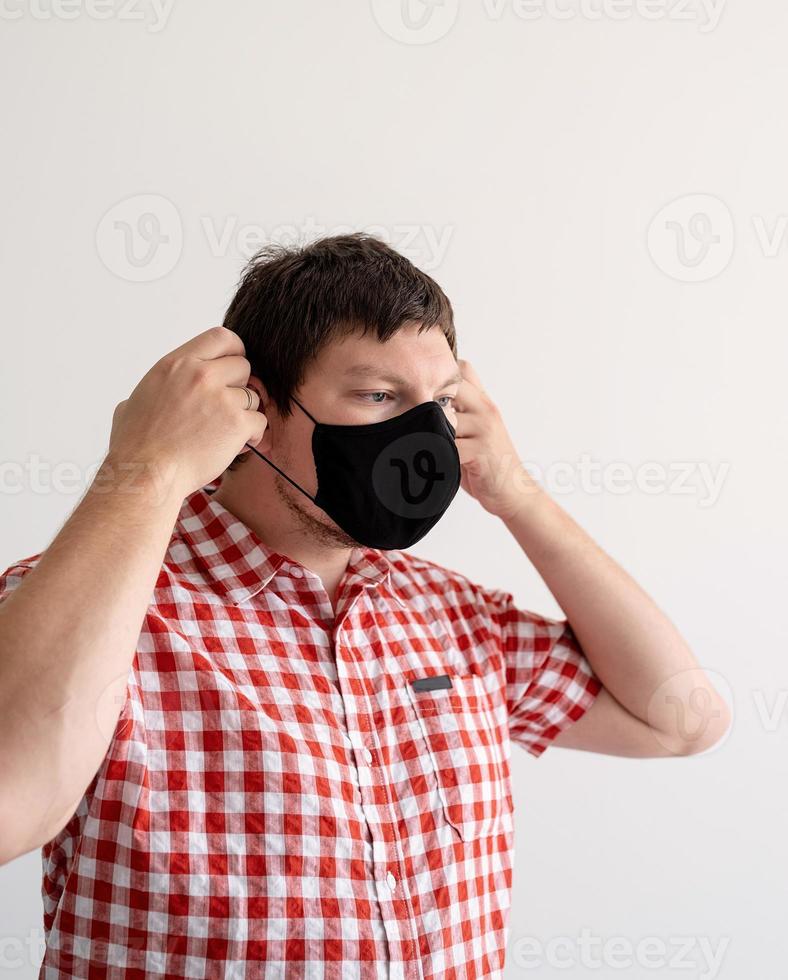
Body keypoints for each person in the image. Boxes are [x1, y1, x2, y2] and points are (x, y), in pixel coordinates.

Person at [0, 233, 729, 978]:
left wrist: (518, 496)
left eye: (440, 403)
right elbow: (9, 804)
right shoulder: (97, 603)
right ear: (256, 407)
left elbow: (681, 720)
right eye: (378, 395)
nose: (422, 438)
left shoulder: (451, 616)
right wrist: (144, 470)